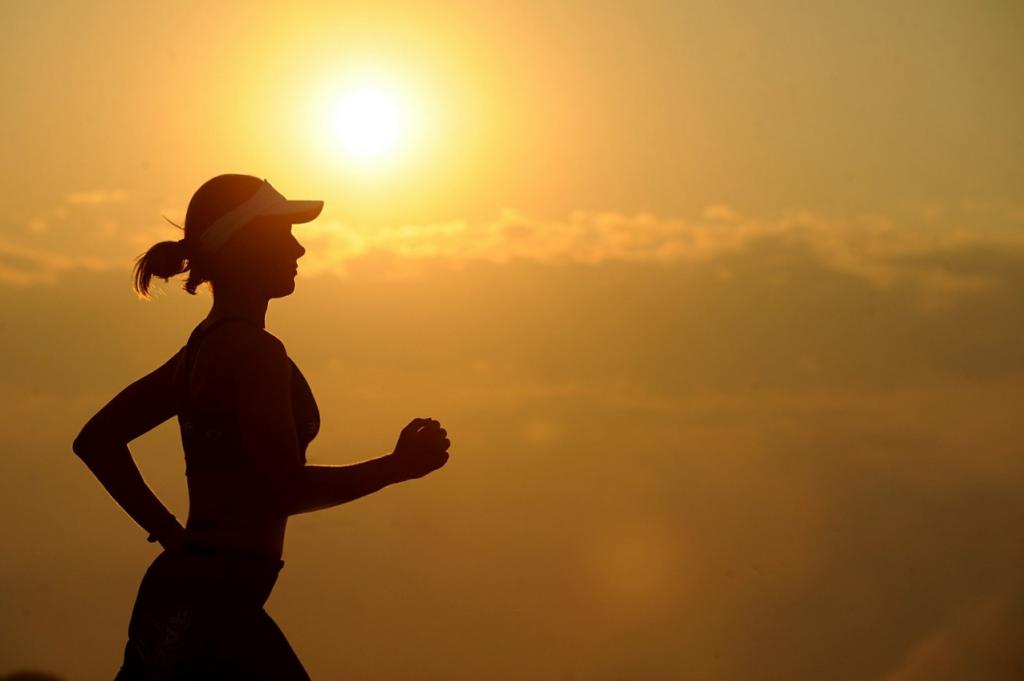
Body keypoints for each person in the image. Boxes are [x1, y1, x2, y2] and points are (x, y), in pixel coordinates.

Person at [72, 174, 451, 679]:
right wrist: (395, 467)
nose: (300, 248)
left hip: (193, 599)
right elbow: (282, 490)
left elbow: (96, 440)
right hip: (209, 609)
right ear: (242, 245)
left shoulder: (203, 348)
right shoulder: (250, 351)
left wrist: (171, 535)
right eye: (283, 234)